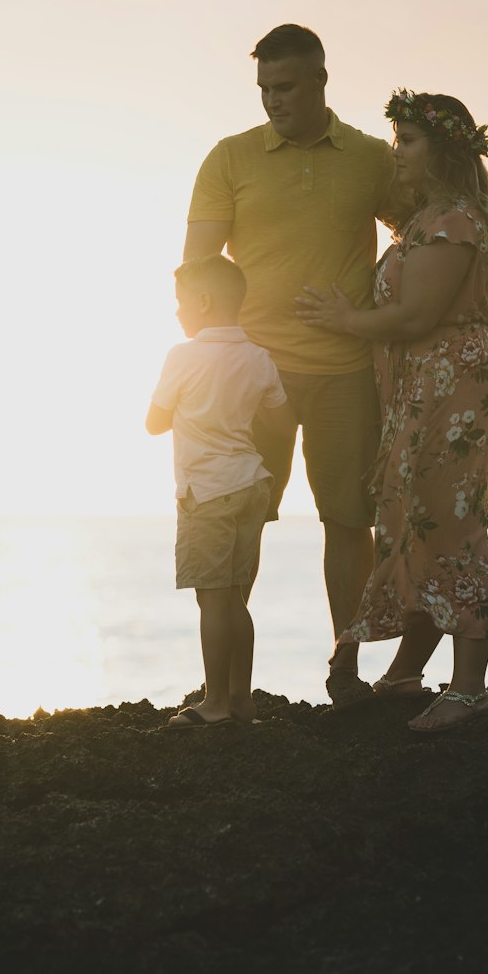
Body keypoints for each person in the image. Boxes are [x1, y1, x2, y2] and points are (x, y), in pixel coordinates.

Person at [183, 24, 396, 707]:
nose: (273, 100)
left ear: (320, 81)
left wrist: (382, 309)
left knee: (346, 520)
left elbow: (422, 231)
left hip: (344, 370)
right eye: (264, 89)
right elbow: (196, 269)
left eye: (286, 87)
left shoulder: (369, 158)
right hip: (253, 374)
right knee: (240, 519)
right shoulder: (230, 158)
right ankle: (223, 683)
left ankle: (346, 665)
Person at [296, 89, 488, 734]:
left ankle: (470, 690)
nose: (397, 154)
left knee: (450, 528)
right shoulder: (427, 220)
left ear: (443, 151)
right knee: (411, 524)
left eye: (408, 142)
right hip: (424, 389)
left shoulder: (455, 221)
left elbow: (417, 316)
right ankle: (405, 673)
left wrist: (345, 320)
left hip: (457, 389)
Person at [146, 254, 295, 727]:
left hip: (206, 492)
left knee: (213, 599)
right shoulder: (258, 357)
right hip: (252, 485)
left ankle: (214, 703)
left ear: (204, 302)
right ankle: (241, 699)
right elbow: (281, 419)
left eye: (181, 302)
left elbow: (153, 424)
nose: (176, 312)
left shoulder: (182, 355)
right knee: (233, 598)